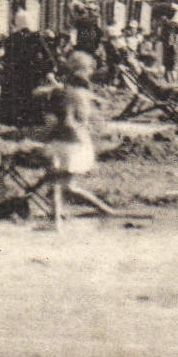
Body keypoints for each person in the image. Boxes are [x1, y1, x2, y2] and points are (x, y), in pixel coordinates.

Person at [43, 51, 117, 229]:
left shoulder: (64, 92)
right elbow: (81, 119)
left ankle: (57, 220)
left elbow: (62, 119)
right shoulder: (82, 94)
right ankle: (104, 210)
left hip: (66, 140)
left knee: (58, 183)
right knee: (66, 186)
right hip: (77, 141)